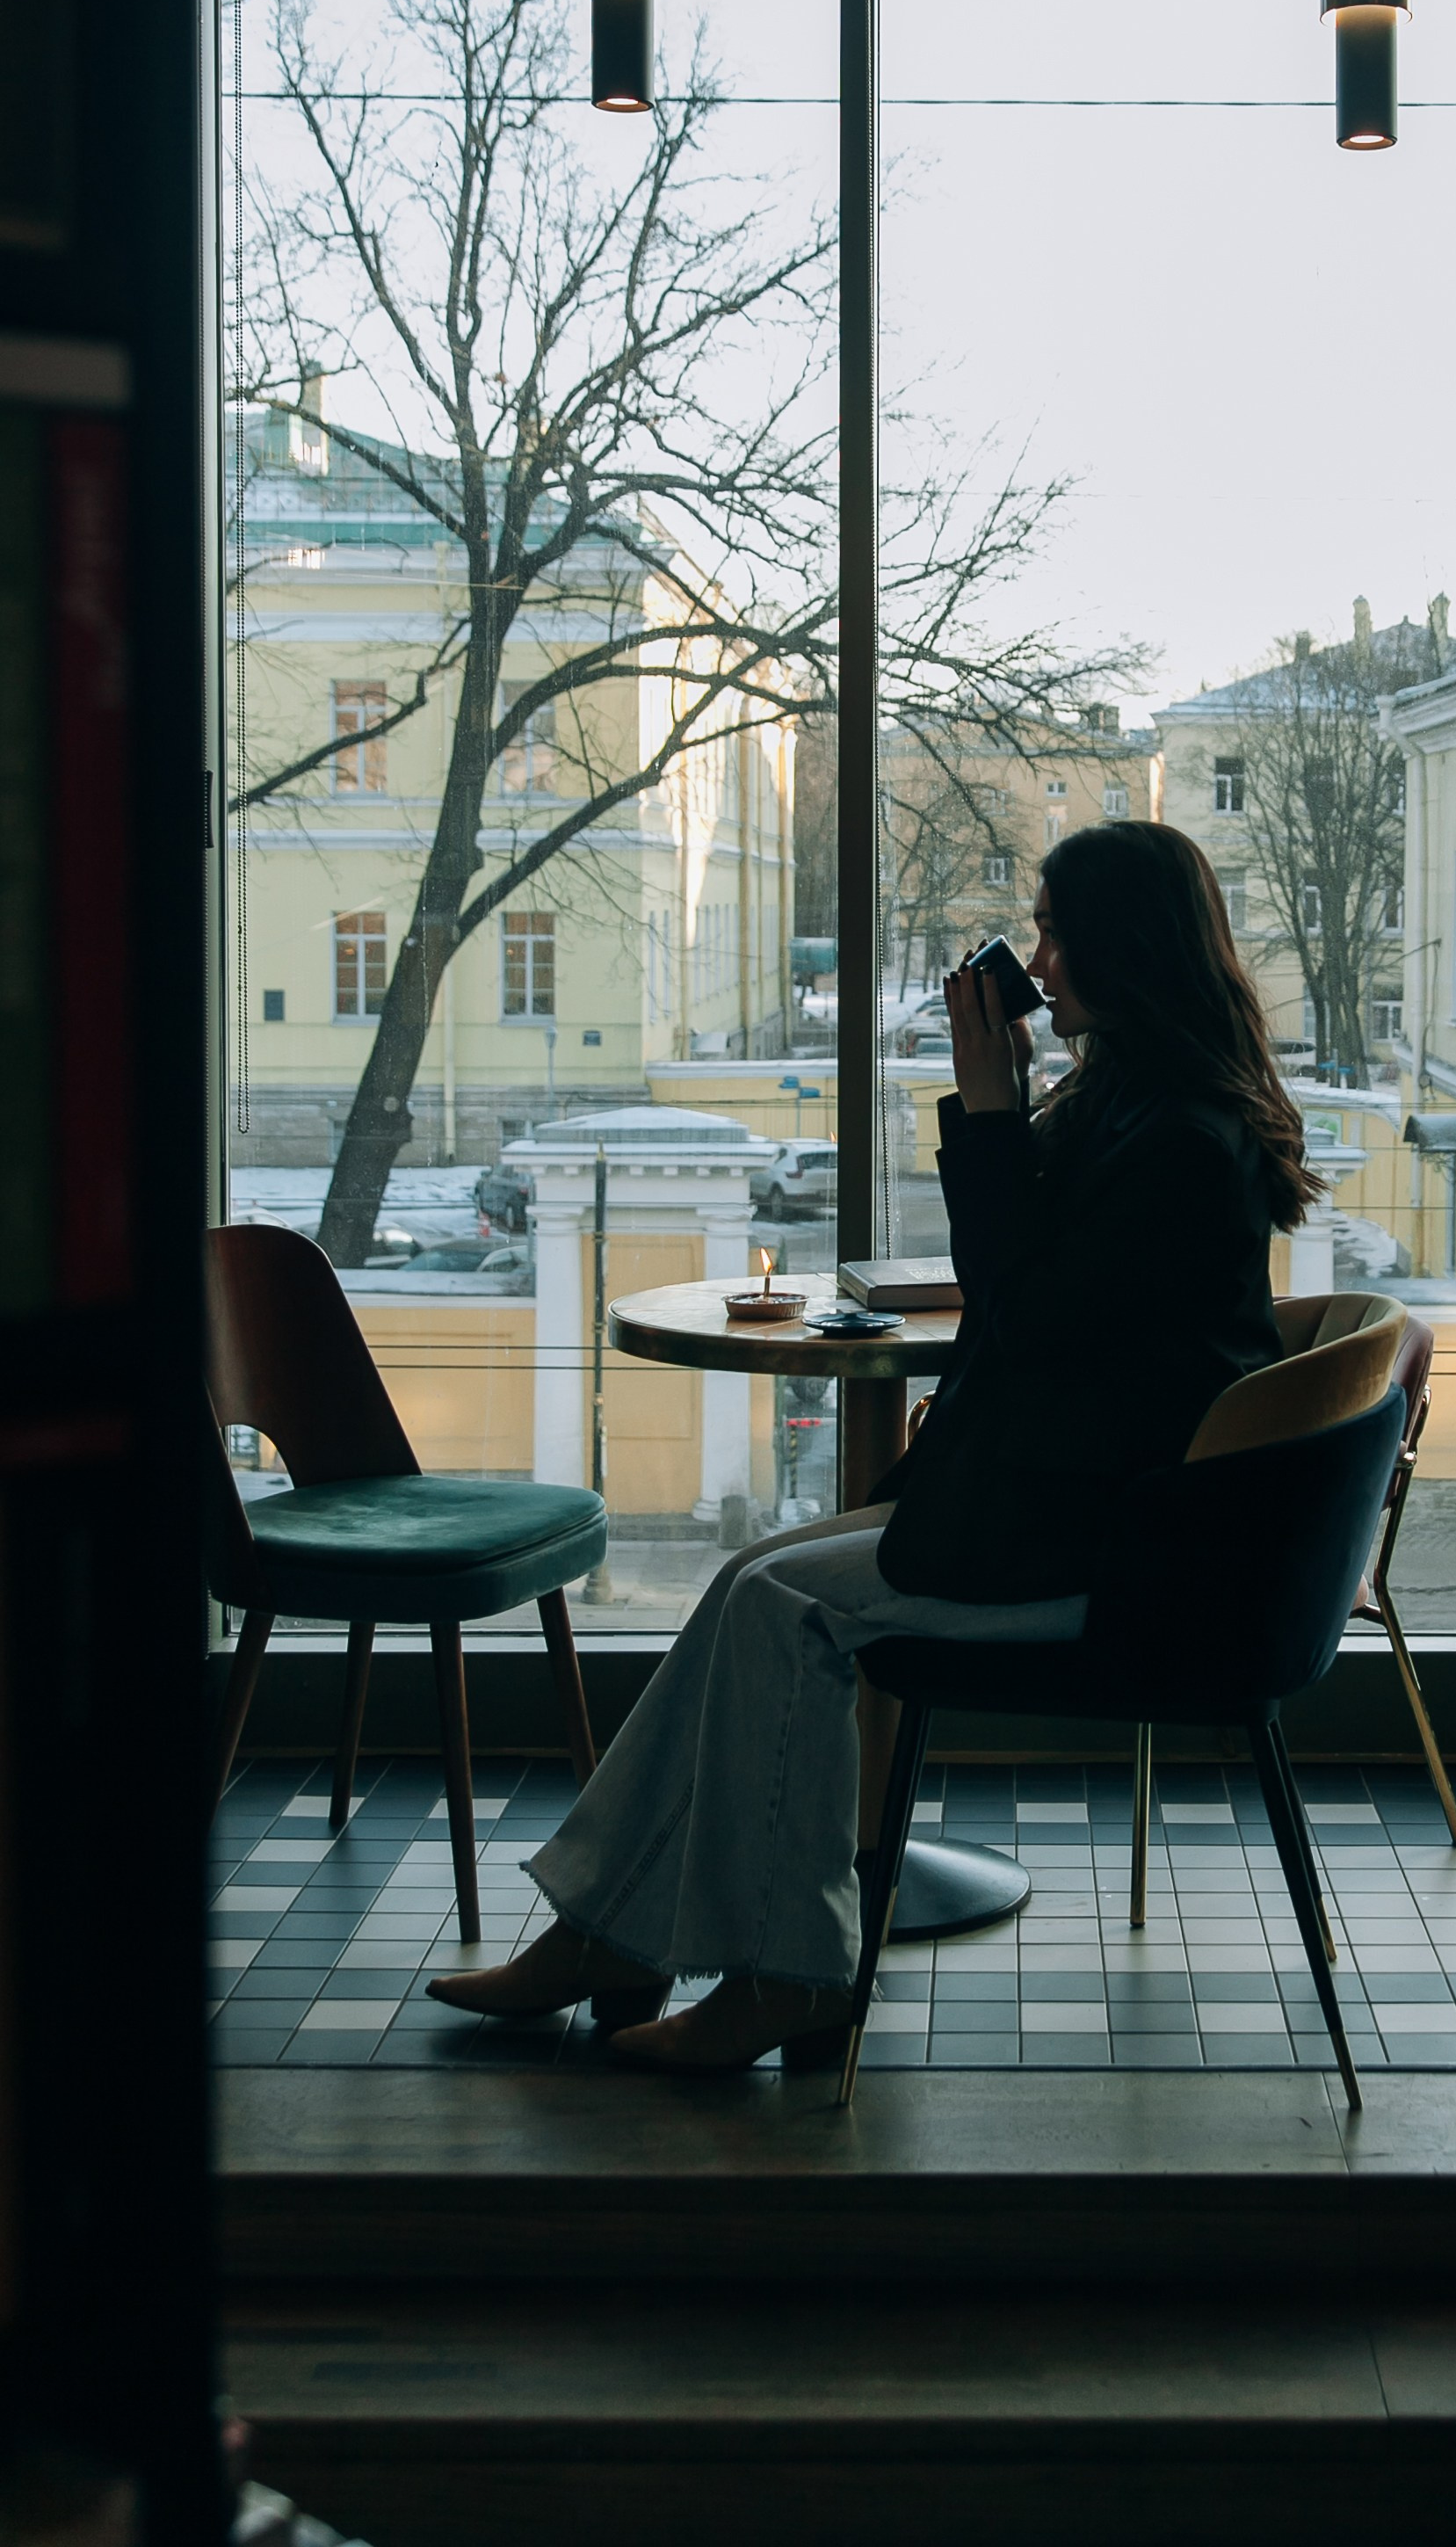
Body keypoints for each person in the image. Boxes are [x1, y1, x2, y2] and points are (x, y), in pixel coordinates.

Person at [427, 819, 1316, 2073]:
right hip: (1079, 1507)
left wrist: (992, 1099)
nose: (1040, 962)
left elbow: (1021, 1305)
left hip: (1113, 1548)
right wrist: (1008, 1101)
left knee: (780, 1607)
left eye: (1058, 935)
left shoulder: (1176, 1138)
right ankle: (607, 1937)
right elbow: (1032, 1298)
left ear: (1123, 947)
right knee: (749, 1583)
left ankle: (787, 1972)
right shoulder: (1140, 1103)